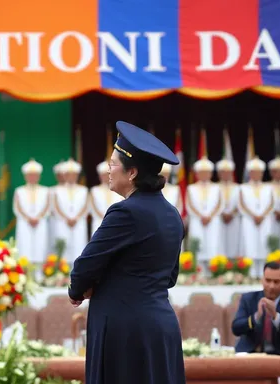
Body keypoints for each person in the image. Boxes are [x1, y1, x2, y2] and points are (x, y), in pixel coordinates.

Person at [68, 121, 185, 384]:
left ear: (131, 173)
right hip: (159, 326)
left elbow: (84, 267)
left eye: (113, 164)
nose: (108, 170)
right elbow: (169, 277)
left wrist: (80, 289)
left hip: (125, 332)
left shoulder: (126, 212)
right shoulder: (171, 214)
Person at [231, 262, 280, 356]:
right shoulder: (249, 299)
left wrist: (276, 317)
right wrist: (256, 317)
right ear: (262, 280)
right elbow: (236, 328)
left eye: (276, 282)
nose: (271, 286)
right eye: (268, 281)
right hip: (250, 354)